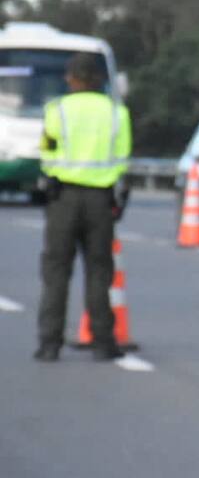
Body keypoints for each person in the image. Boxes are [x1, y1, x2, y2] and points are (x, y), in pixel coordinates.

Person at [34, 52, 132, 362]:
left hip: (63, 199)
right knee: (99, 271)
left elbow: (47, 153)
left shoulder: (57, 110)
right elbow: (122, 158)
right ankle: (103, 343)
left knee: (56, 272)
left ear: (72, 79)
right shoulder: (117, 113)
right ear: (101, 79)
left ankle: (49, 344)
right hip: (100, 200)